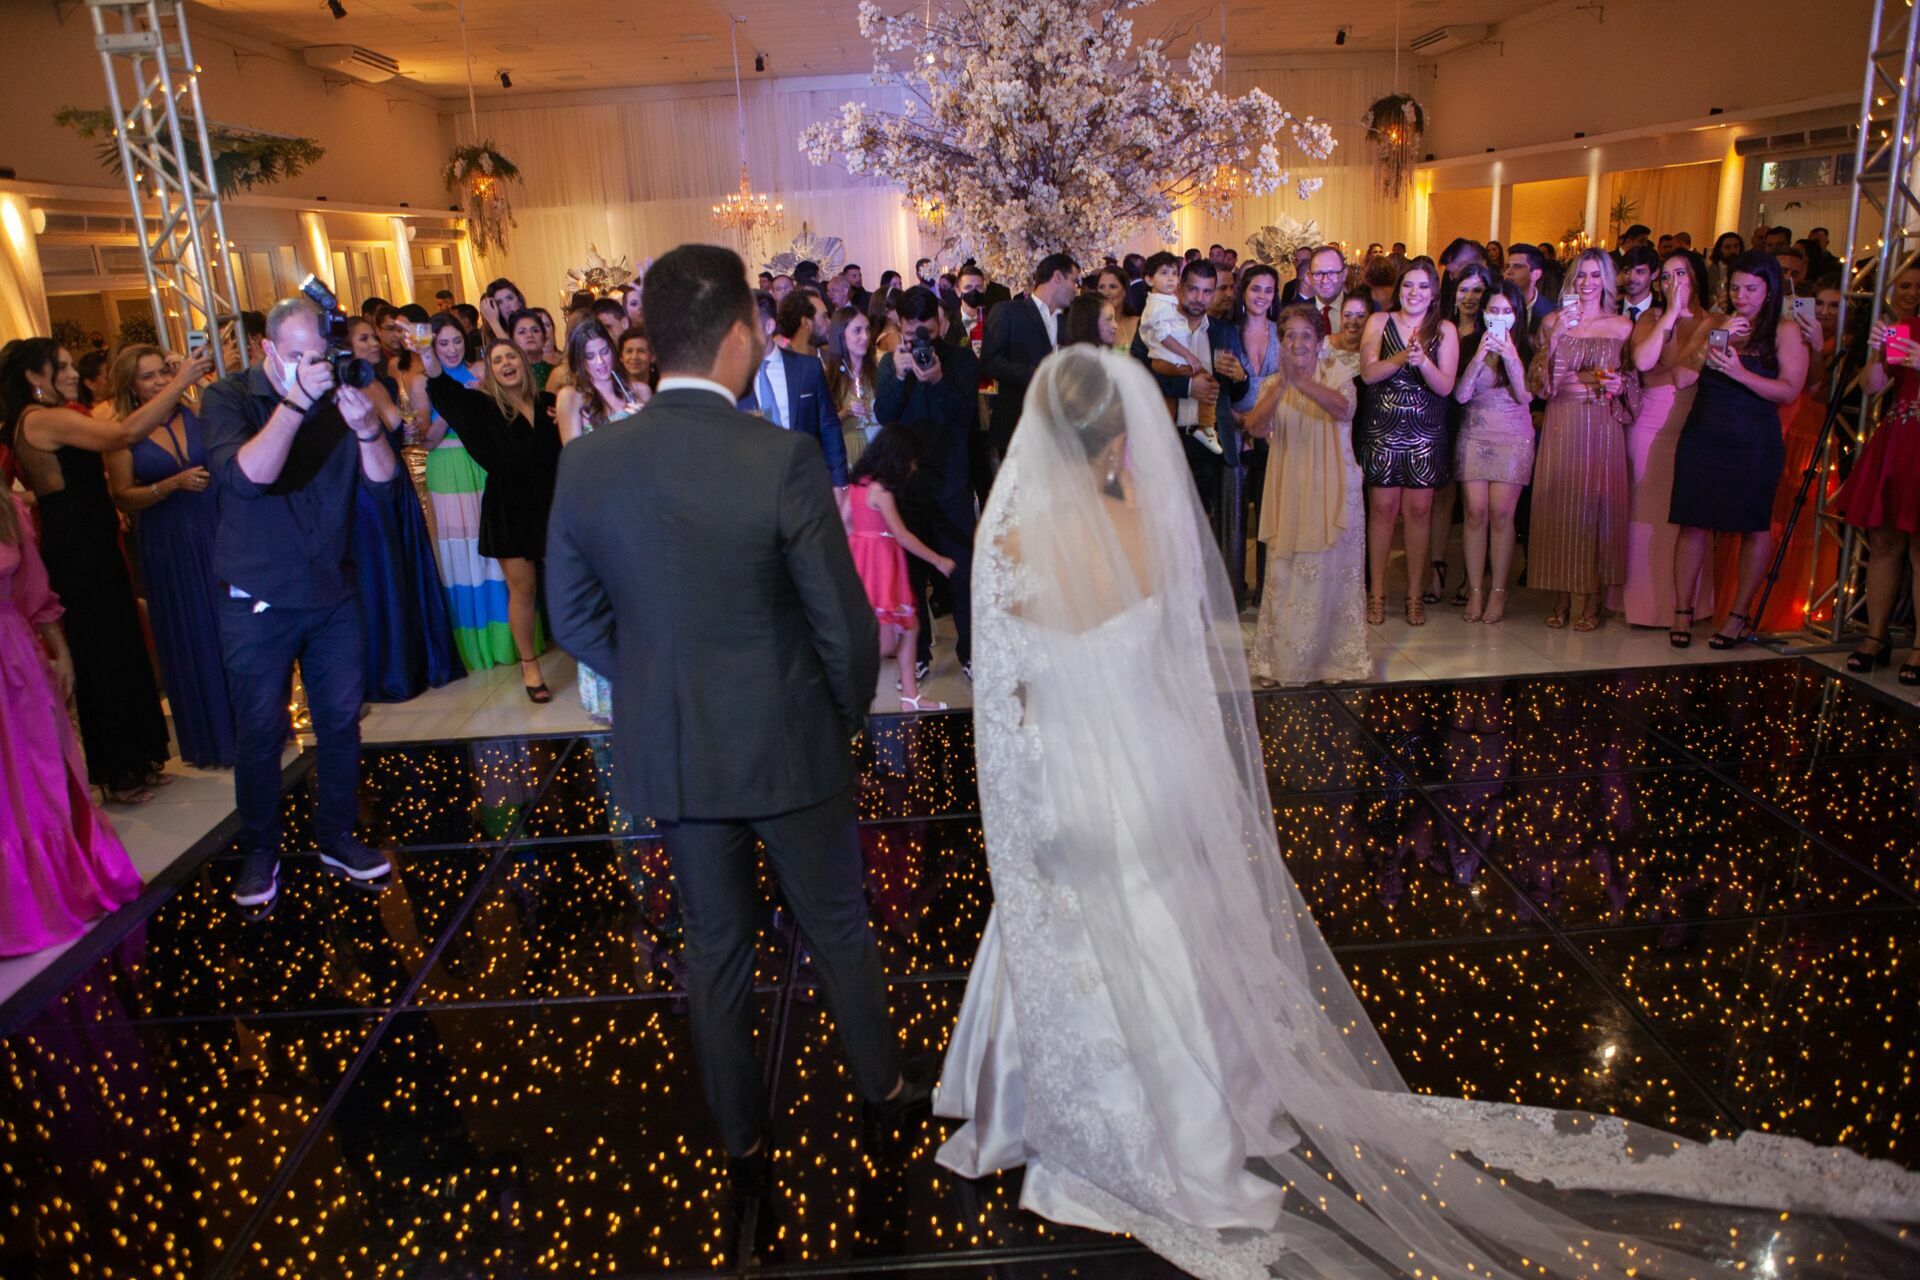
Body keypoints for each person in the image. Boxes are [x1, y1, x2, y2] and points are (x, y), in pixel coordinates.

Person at [939, 342, 1920, 1278]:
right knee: (1165, 938)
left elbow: (1009, 696)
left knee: (1067, 934)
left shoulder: (1011, 537)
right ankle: (1197, 1108)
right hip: (1153, 773)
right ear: (1119, 442)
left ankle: (1075, 1110)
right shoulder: (1145, 520)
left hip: (1073, 777)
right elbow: (1175, 668)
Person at [545, 243, 927, 1246]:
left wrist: (658, 679)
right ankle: (886, 1099)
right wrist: (840, 717)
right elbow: (843, 627)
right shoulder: (776, 455)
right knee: (838, 926)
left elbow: (573, 615)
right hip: (792, 741)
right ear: (734, 337)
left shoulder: (588, 460)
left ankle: (744, 1145)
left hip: (673, 747)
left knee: (714, 949)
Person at [200, 297, 398, 907]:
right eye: (298, 357)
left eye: (322, 356)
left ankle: (336, 834)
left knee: (340, 721)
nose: (314, 366)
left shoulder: (340, 394)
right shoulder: (231, 398)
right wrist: (294, 403)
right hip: (257, 595)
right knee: (262, 730)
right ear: (268, 351)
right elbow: (247, 478)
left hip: (331, 590)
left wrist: (365, 427)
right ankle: (261, 848)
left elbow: (385, 487)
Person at [1, 340, 193, 805]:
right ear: (34, 375)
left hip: (93, 536)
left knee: (123, 642)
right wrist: (181, 382)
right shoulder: (39, 418)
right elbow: (122, 436)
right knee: (99, 652)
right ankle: (117, 771)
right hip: (75, 543)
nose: (71, 372)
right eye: (61, 366)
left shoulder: (59, 413)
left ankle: (140, 757)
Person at [0, 486, 144, 956]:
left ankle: (49, 894)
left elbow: (33, 590)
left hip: (15, 660)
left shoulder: (7, 507)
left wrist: (59, 650)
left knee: (38, 779)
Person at [102, 345, 235, 767]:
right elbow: (123, 495)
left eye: (164, 372)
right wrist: (169, 485)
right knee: (191, 631)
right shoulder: (123, 433)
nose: (160, 381)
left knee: (232, 627)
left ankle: (258, 728)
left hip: (214, 529)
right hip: (168, 540)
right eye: (148, 376)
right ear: (130, 385)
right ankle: (213, 738)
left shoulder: (193, 412)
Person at [1669, 250, 1809, 647]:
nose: (1741, 296)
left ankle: (1737, 616)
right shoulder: (1715, 322)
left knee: (1752, 525)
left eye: (1750, 288)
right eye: (1734, 287)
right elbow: (1680, 376)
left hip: (1753, 438)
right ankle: (1683, 611)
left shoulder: (1784, 330)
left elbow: (1788, 390)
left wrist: (1740, 373)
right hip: (1704, 432)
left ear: (1769, 290)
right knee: (1692, 522)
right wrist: (1717, 340)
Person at [421, 335, 564, 702]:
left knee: (570, 582)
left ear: (523, 363)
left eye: (510, 357)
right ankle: (529, 665)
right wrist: (424, 350)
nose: (505, 364)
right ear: (491, 371)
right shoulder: (483, 408)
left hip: (554, 504)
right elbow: (443, 387)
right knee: (523, 590)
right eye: (497, 360)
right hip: (509, 507)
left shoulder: (549, 403)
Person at [1244, 305, 1367, 684]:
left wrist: (1301, 383)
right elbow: (1255, 427)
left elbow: (1343, 410)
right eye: (1289, 335)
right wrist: (1282, 384)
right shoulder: (1271, 384)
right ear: (1281, 341)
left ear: (1319, 342)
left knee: (1332, 570)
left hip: (1335, 486)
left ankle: (1333, 662)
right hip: (1290, 485)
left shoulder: (1338, 373)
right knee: (1287, 570)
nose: (1297, 342)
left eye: (1306, 335)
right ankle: (1279, 661)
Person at [1528, 247, 1640, 632]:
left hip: (1603, 421)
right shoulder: (1553, 321)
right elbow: (1538, 383)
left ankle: (1591, 596)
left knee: (1596, 507)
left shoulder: (1623, 327)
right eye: (1581, 275)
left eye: (1595, 276)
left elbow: (1633, 384)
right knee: (1561, 505)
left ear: (1607, 281)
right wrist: (1556, 336)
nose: (1587, 283)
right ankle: (1561, 593)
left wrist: (1621, 383)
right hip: (1562, 418)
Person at [874, 286, 980, 680]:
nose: (921, 339)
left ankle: (970, 653)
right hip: (907, 484)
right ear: (899, 324)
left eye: (928, 330)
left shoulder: (960, 359)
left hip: (951, 479)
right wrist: (901, 377)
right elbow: (885, 415)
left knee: (961, 573)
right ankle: (917, 654)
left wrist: (937, 379)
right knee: (911, 577)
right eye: (913, 330)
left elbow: (965, 415)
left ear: (939, 323)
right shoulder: (890, 363)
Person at [408, 313, 522, 674]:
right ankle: (475, 645)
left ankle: (509, 640)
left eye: (457, 341)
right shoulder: (421, 383)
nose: (452, 349)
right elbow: (425, 440)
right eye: (443, 343)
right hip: (448, 469)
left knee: (495, 550)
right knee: (462, 556)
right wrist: (453, 408)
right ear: (432, 347)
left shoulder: (481, 370)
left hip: (483, 464)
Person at [1619, 250, 1717, 634]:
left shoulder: (1716, 321)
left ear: (1697, 277)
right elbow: (1643, 362)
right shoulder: (1652, 317)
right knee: (1646, 512)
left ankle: (1687, 603)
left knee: (1690, 519)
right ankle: (1645, 606)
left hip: (1698, 419)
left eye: (1682, 274)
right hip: (1651, 421)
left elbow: (1690, 377)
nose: (1673, 282)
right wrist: (1672, 314)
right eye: (1667, 276)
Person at [1358, 257, 1459, 626]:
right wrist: (1402, 356)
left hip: (1426, 433)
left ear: (1433, 293)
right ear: (1399, 289)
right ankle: (1377, 594)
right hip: (1383, 429)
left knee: (1419, 514)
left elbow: (1446, 386)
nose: (1414, 293)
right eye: (1407, 286)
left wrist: (1423, 362)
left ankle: (1415, 596)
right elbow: (1368, 374)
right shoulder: (1379, 322)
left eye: (1422, 287)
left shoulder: (1444, 329)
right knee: (1383, 511)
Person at [555, 321, 646, 723]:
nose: (599, 362)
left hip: (642, 512)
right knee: (607, 608)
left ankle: (650, 687)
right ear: (578, 359)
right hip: (602, 516)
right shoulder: (571, 397)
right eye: (589, 356)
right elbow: (574, 464)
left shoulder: (639, 391)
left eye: (604, 352)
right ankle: (610, 701)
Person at [840, 425, 953, 711]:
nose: (914, 467)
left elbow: (845, 524)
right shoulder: (881, 491)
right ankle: (849, 693)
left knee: (910, 626)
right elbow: (902, 535)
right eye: (912, 460)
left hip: (866, 562)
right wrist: (937, 560)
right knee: (885, 643)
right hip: (881, 566)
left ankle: (910, 696)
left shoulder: (857, 484)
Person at [1837, 310, 1920, 683]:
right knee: (1884, 541)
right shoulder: (1906, 324)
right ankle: (1875, 635)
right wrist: (1875, 352)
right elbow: (1871, 386)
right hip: (1899, 439)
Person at [1451, 281, 1535, 623]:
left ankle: (1498, 593)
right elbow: (1460, 396)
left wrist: (1511, 355)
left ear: (1517, 315)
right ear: (1483, 313)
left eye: (1506, 312)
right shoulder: (1470, 343)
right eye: (1493, 311)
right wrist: (1479, 357)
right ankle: (1474, 590)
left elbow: (1526, 396)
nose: (1498, 318)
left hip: (1513, 435)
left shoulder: (1527, 346)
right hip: (1474, 432)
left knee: (1502, 514)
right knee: (1475, 512)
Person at [1425, 262, 1497, 606]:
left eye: (1477, 291)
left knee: (1474, 504)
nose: (1469, 297)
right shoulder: (1442, 328)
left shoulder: (1492, 333)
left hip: (1480, 420)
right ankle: (1436, 570)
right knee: (1441, 497)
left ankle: (1473, 574)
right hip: (1444, 416)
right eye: (1464, 290)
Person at [742, 290, 848, 487]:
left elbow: (829, 428)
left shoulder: (807, 368)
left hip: (805, 482)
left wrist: (839, 484)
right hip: (752, 486)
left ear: (769, 326)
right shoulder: (733, 375)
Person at [981, 252, 1075, 470]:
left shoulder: (1069, 321)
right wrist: (1032, 374)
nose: (1075, 288)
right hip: (1017, 422)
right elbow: (990, 361)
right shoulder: (1008, 312)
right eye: (1073, 280)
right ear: (1057, 277)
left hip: (1058, 429)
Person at [823, 304, 879, 469]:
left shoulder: (879, 369)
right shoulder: (829, 377)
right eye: (857, 331)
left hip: (878, 452)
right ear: (840, 335)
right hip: (847, 456)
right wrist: (845, 413)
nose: (865, 336)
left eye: (868, 330)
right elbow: (824, 428)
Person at [617, 325, 657, 392]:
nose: (634, 357)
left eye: (641, 351)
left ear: (653, 357)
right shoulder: (615, 391)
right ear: (621, 357)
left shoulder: (661, 390)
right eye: (629, 351)